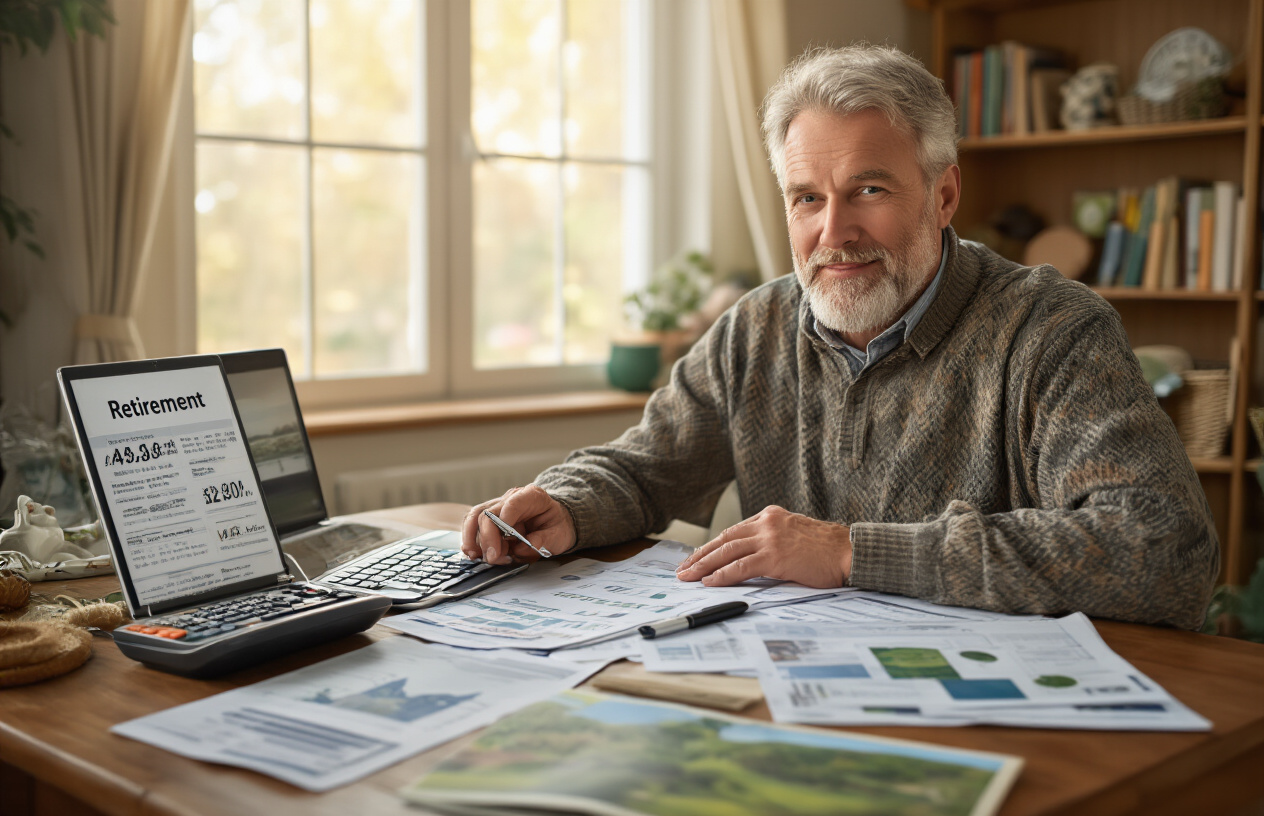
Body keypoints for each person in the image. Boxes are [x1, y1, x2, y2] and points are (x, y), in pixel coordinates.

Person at [461, 44, 1219, 630]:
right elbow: (641, 472)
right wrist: (566, 503)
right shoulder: (755, 330)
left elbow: (1163, 549)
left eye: (869, 190)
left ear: (944, 193)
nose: (834, 232)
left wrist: (852, 551)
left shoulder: (1051, 331)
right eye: (807, 198)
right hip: (794, 696)